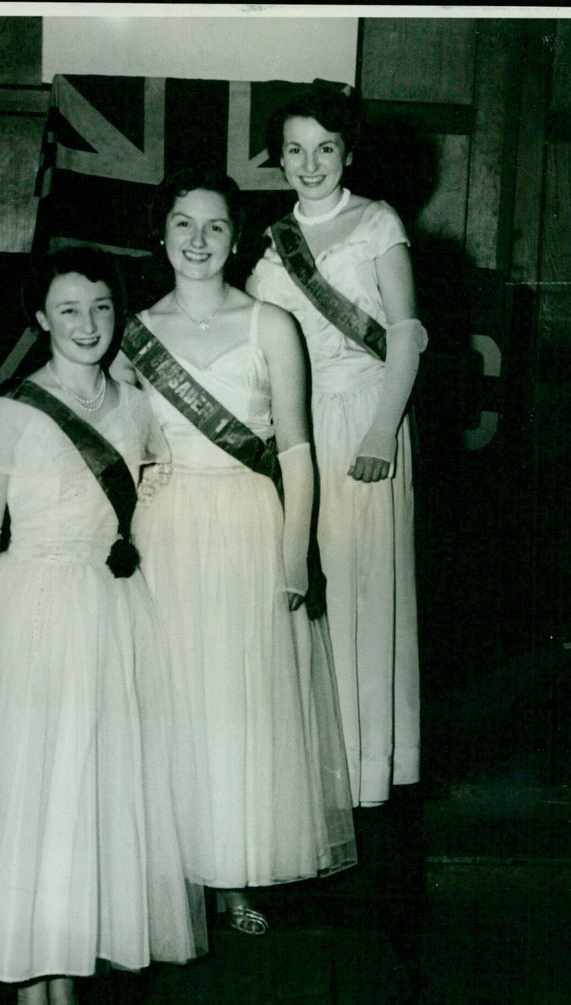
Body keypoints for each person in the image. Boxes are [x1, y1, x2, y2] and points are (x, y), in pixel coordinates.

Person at [0, 246, 205, 1005]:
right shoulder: (12, 412)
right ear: (41, 318)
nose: (87, 325)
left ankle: (65, 975)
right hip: (29, 613)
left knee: (88, 799)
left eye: (102, 308)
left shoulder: (139, 407)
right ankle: (28, 981)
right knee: (31, 797)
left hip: (111, 617)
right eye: (69, 309)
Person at [111, 167, 357, 935]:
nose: (198, 240)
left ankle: (232, 872)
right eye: (183, 224)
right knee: (172, 699)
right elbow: (112, 441)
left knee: (238, 703)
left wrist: (294, 561)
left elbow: (297, 455)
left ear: (236, 237)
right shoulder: (134, 334)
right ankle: (174, 870)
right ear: (161, 234)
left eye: (215, 226)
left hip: (250, 527)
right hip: (169, 530)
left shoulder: (270, 325)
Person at [247, 86, 429, 809]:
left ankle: (367, 774)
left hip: (369, 418)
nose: (310, 163)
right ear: (279, 157)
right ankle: (314, 771)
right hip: (300, 427)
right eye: (295, 149)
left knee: (363, 588)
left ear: (348, 152)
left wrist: (383, 428)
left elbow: (407, 334)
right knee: (305, 586)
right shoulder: (269, 245)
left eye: (326, 147)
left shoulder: (377, 221)